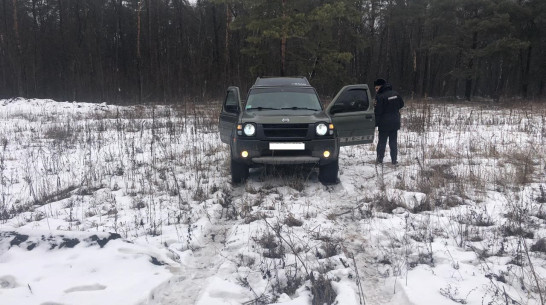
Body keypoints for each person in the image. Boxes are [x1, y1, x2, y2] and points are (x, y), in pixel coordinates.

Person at [374, 78, 404, 165]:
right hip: (395, 122)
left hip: (384, 124)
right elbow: (402, 104)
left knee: (382, 143)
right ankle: (394, 161)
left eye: (376, 88)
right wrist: (394, 109)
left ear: (381, 86)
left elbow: (378, 112)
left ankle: (379, 160)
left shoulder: (380, 96)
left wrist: (375, 123)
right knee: (393, 142)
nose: (376, 90)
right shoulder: (395, 93)